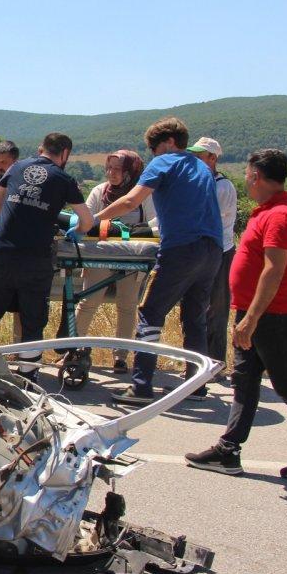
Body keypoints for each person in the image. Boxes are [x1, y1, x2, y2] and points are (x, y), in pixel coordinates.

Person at [186, 149, 287, 479]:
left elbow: (273, 271)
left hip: (273, 317)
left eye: (249, 174)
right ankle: (228, 451)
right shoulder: (268, 212)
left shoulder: (281, 216)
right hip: (256, 315)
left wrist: (250, 319)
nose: (247, 180)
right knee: (245, 383)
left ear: (256, 177)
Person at [94, 117, 222, 405]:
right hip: (212, 250)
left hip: (182, 248)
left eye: (154, 148)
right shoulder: (201, 166)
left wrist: (93, 220)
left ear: (168, 142)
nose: (153, 154)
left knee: (150, 314)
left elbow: (130, 201)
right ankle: (196, 384)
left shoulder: (165, 162)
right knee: (194, 317)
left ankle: (141, 386)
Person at [0, 132, 93, 376]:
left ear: (40, 149)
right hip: (35, 258)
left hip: (2, 253)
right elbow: (87, 221)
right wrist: (76, 231)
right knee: (33, 322)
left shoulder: (17, 167)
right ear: (65, 153)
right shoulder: (64, 179)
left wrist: (12, 220)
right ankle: (28, 376)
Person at [69, 150, 158, 373]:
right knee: (88, 303)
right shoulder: (100, 192)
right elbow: (86, 218)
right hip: (100, 255)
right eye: (109, 168)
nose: (111, 173)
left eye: (118, 169)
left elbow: (154, 223)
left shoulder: (144, 195)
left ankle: (121, 357)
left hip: (133, 258)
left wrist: (133, 233)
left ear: (131, 171)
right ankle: (72, 351)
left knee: (127, 306)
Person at [182, 137, 238, 382]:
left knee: (216, 308)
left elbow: (203, 215)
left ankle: (215, 365)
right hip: (201, 249)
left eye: (199, 155)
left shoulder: (223, 187)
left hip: (221, 250)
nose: (194, 159)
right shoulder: (197, 182)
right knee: (196, 309)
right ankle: (197, 364)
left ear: (213, 158)